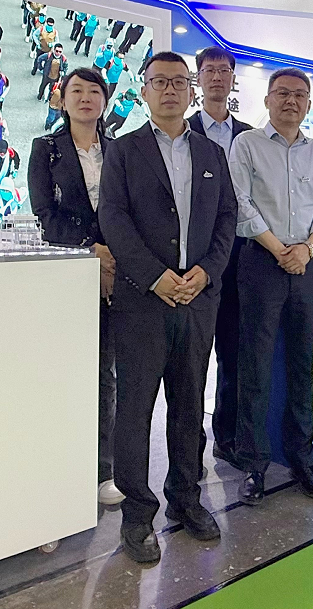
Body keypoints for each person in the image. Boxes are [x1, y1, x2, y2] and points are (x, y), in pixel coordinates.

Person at [97, 51, 237, 565]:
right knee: (135, 410)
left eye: (179, 82)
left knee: (188, 403)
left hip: (197, 299)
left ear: (191, 90)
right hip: (143, 301)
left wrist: (206, 272)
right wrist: (155, 277)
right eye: (160, 82)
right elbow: (113, 218)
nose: (171, 90)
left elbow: (227, 218)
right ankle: (137, 513)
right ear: (145, 91)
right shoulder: (124, 150)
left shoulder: (211, 152)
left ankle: (186, 496)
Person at [227, 67, 313, 505]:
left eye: (300, 95)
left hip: (307, 265)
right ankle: (253, 465)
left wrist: (307, 248)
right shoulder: (247, 144)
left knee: (302, 363)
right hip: (261, 262)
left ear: (308, 103)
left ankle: (302, 458)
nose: (291, 101)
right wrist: (279, 249)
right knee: (254, 364)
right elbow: (239, 202)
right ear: (268, 100)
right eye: (283, 93)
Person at [26, 66, 123, 506]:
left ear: (105, 100)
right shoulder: (45, 150)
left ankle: (104, 469)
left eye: (94, 91)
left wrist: (115, 254)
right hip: (69, 272)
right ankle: (60, 468)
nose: (86, 98)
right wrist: (92, 248)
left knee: (107, 374)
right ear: (62, 100)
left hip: (118, 274)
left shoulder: (120, 151)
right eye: (76, 91)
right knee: (68, 372)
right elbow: (44, 213)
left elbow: (133, 210)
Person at [187, 47, 253, 471]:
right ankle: (188, 448)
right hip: (194, 258)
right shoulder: (183, 130)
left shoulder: (250, 135)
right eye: (209, 70)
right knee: (192, 361)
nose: (216, 77)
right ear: (199, 78)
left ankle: (226, 439)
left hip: (241, 258)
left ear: (232, 78)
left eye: (223, 70)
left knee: (235, 354)